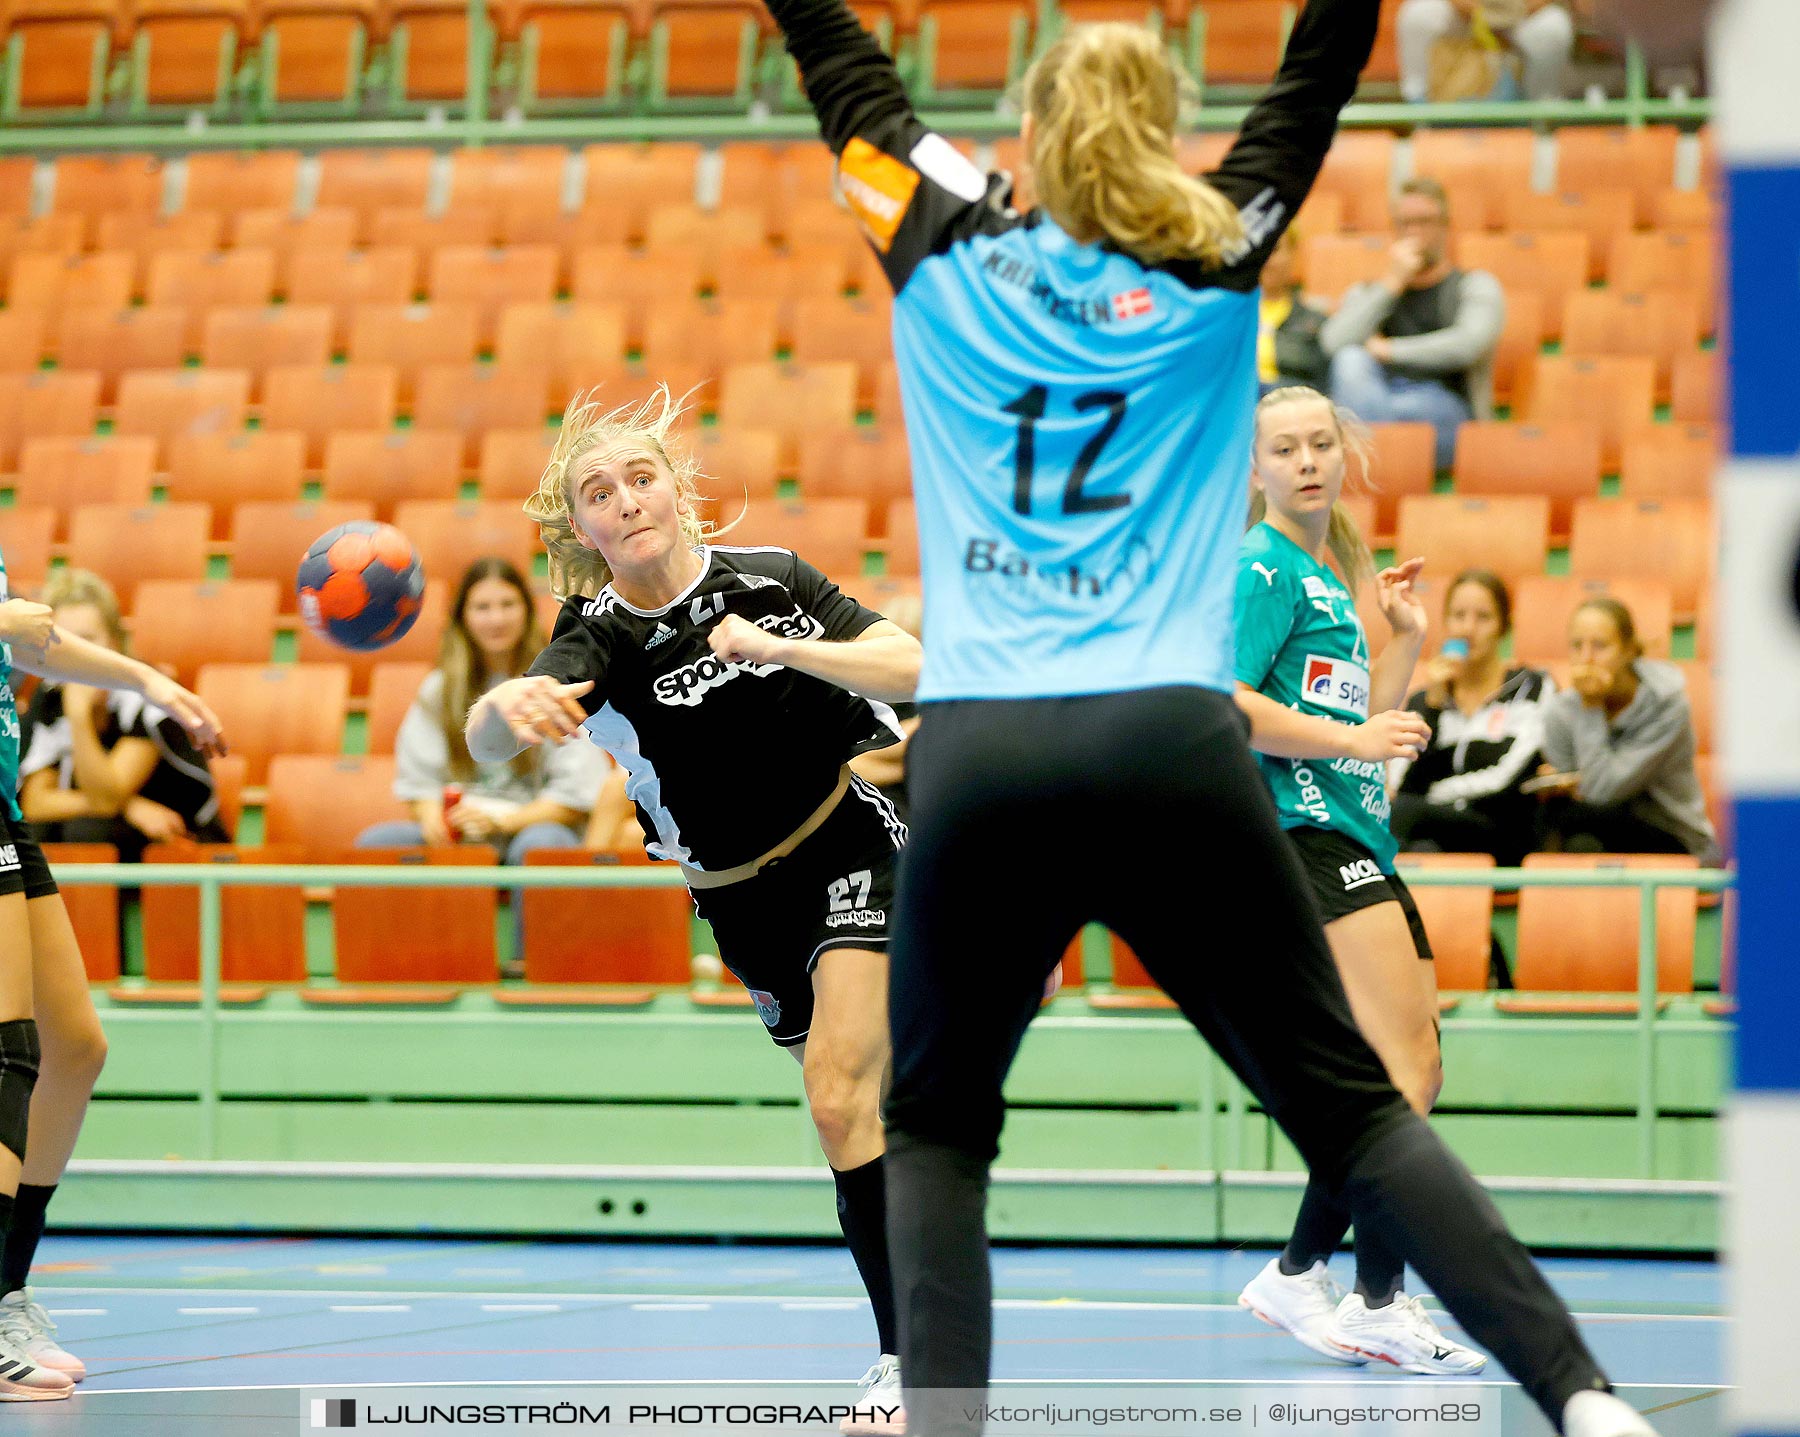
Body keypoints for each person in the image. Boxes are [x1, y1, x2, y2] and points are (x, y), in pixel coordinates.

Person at [767, 0, 1658, 1432]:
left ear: (1038, 138)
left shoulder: (939, 238)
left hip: (989, 748)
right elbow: (1318, 73)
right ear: (1167, 136)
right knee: (1354, 1109)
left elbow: (844, 71)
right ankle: (1583, 1399)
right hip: (1168, 742)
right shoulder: (1223, 236)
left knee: (935, 1128)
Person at [465, 389, 923, 1430]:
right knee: (855, 1104)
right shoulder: (597, 638)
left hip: (850, 841)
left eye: (640, 478)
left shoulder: (772, 579)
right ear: (578, 529)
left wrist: (788, 649)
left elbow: (915, 663)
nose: (626, 501)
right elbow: (495, 739)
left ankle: (907, 1358)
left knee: (839, 1095)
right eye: (598, 493)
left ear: (676, 489)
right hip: (738, 901)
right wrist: (502, 711)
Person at [1232, 386, 1488, 1374]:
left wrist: (1407, 639)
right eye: (1285, 448)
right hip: (1301, 836)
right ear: (1255, 468)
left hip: (1356, 831)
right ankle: (1356, 1291)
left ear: (1344, 454)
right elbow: (1231, 701)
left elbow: (1353, 722)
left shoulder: (1327, 571)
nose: (1305, 460)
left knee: (1413, 1070)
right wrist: (1356, 735)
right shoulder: (1261, 566)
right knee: (1395, 1074)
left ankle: (1320, 1277)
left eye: (1320, 444)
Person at [0, 543, 226, 1401]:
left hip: (4, 803)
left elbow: (33, 643)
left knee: (76, 1048)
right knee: (10, 1050)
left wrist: (149, 683)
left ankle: (7, 1289)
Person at [357, 557, 607, 862]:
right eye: (482, 608)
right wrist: (432, 817)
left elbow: (575, 797)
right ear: (463, 617)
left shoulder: (557, 684)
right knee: (377, 843)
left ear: (527, 611)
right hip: (461, 828)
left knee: (539, 845)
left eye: (507, 604)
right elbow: (418, 783)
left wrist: (503, 822)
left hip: (529, 827)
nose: (496, 619)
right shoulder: (439, 688)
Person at [18, 570, 230, 863]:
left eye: (89, 639)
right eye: (63, 641)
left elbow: (105, 800)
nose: (77, 654)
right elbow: (36, 803)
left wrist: (78, 716)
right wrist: (132, 806)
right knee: (33, 836)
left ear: (115, 642)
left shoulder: (147, 693)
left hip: (179, 838)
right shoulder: (51, 695)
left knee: (86, 832)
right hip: (119, 824)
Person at [1320, 177, 1505, 471]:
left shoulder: (1474, 286)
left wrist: (1389, 350)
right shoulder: (1373, 290)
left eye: (1424, 222)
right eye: (1405, 223)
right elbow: (1333, 342)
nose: (1415, 232)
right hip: (1377, 395)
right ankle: (1381, 463)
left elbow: (1467, 345)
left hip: (1444, 410)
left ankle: (1367, 466)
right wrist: (1392, 283)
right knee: (1350, 359)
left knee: (1360, 418)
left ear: (1445, 226)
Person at [1391, 570, 1557, 867]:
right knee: (1423, 849)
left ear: (1503, 626)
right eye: (1458, 616)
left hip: (1503, 831)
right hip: (1433, 828)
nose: (1468, 629)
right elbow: (1401, 784)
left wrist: (1435, 795)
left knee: (1405, 816)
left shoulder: (1530, 688)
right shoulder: (1426, 700)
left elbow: (1509, 777)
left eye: (1483, 617)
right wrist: (1434, 708)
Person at [1536, 597, 1718, 863]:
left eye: (1600, 646)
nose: (1586, 659)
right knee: (1574, 835)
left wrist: (1591, 706)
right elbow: (1572, 791)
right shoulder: (1560, 711)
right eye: (1577, 646)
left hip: (1671, 834)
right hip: (1591, 827)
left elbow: (1601, 790)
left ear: (1629, 650)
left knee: (1570, 816)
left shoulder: (1667, 706)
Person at [1397, 0, 1578, 103]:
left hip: (1520, 11)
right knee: (1419, 15)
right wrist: (1474, 11)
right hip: (1465, 12)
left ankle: (1541, 112)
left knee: (1552, 26)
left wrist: (1512, 13)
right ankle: (1419, 105)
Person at [1259, 227, 1331, 394]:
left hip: (1290, 400)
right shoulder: (1227, 315)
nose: (1266, 259)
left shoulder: (1314, 319)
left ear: (1293, 253)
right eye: (1260, 250)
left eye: (1274, 249)